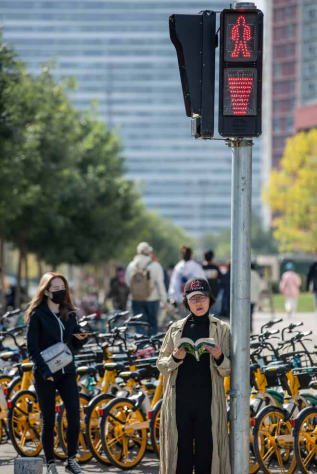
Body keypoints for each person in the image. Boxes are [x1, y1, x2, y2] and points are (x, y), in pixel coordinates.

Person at [157, 277, 231, 474]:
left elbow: (228, 369)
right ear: (186, 302)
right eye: (193, 299)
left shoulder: (222, 329)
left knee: (206, 455)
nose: (198, 303)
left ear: (210, 299)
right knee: (181, 456)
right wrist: (174, 358)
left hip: (208, 403)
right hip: (179, 403)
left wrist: (219, 356)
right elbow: (161, 366)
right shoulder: (175, 329)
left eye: (202, 298)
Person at [25, 272, 88, 474]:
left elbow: (74, 344)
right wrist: (45, 371)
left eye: (62, 287)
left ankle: (71, 459)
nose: (60, 291)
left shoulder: (68, 312)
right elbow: (31, 348)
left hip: (67, 370)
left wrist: (81, 338)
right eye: (55, 288)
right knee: (49, 419)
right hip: (46, 373)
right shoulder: (37, 315)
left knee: (74, 414)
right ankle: (51, 463)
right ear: (46, 291)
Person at [125, 242, 167, 334]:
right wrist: (164, 300)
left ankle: (141, 345)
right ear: (149, 252)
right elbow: (160, 284)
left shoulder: (131, 266)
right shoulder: (156, 266)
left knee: (139, 323)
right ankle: (152, 346)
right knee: (152, 323)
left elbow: (128, 282)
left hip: (136, 299)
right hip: (153, 299)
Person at [168, 246, 206, 318]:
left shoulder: (178, 267)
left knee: (182, 321)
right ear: (191, 255)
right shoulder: (196, 267)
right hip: (195, 299)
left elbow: (173, 284)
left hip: (180, 299)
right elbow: (204, 282)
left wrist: (172, 297)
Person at [202, 250, 223, 315]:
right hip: (215, 292)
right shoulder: (215, 267)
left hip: (204, 292)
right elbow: (221, 277)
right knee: (214, 313)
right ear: (212, 257)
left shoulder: (202, 267)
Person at [250, 263, 262, 333]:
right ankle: (251, 328)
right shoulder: (256, 274)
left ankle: (247, 327)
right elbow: (259, 287)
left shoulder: (245, 273)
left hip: (245, 298)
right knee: (251, 314)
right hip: (254, 297)